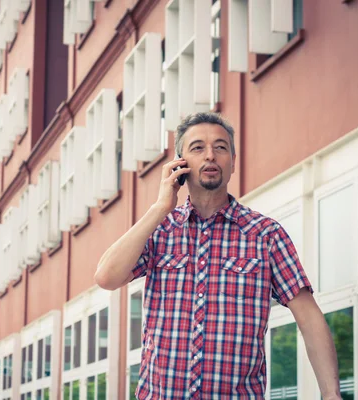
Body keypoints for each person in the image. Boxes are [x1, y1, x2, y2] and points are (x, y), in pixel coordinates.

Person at [94, 112, 342, 399]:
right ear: (179, 164)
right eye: (198, 148)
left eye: (221, 147)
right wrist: (160, 207)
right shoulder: (159, 229)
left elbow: (309, 318)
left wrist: (331, 394)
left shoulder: (266, 234)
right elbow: (106, 277)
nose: (210, 155)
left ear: (233, 162)